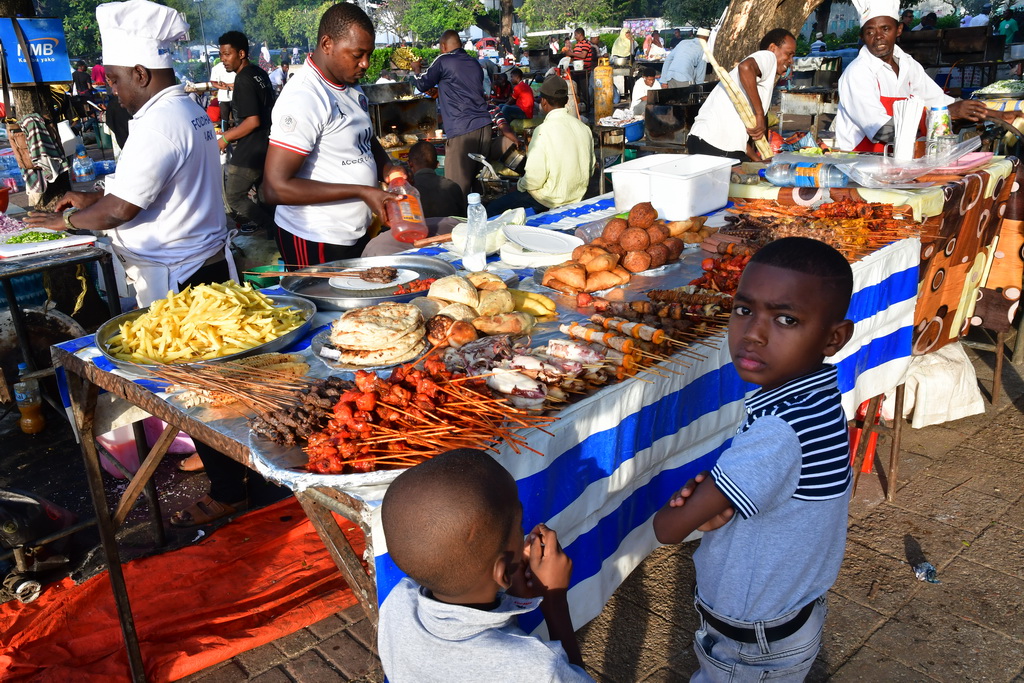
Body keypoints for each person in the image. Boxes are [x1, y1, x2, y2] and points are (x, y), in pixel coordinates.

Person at [24, 0, 260, 527]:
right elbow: (135, 192)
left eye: (114, 80)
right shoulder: (183, 110)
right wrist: (90, 198)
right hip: (202, 266)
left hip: (181, 278)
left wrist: (63, 223)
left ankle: (229, 491)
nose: (111, 90)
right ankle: (225, 460)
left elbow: (122, 209)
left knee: (197, 388)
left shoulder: (158, 122)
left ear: (140, 72)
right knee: (211, 384)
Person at [653, 237, 857, 682]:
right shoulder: (815, 397)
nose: (754, 334)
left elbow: (668, 530)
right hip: (786, 617)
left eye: (786, 319)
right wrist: (720, 496)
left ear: (834, 337)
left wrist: (692, 506)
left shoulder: (779, 432)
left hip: (749, 640)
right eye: (744, 310)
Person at [378, 448, 592, 682]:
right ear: (501, 573)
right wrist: (554, 601)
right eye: (519, 525)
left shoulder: (397, 602)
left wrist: (514, 596)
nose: (522, 531)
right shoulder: (538, 667)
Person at [263, 2, 404, 268]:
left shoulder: (350, 85)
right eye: (358, 54)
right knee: (326, 307)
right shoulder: (304, 97)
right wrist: (363, 191)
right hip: (315, 237)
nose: (366, 63)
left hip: (354, 231)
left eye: (369, 54)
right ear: (327, 43)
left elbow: (364, 137)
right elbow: (275, 188)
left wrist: (387, 168)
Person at [833, 0, 988, 152]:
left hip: (898, 157)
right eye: (870, 32)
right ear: (862, 37)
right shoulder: (858, 72)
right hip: (861, 161)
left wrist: (999, 115)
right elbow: (882, 130)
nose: (878, 36)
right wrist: (943, 115)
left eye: (885, 29)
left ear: (899, 29)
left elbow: (939, 100)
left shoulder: (907, 64)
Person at [486, 76, 594, 215]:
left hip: (549, 199)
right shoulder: (583, 127)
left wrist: (519, 186)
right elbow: (590, 169)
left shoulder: (543, 131)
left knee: (491, 210)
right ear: (566, 101)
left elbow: (534, 179)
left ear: (543, 102)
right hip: (577, 196)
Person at [687, 28, 796, 161]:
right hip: (716, 145)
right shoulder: (768, 56)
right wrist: (759, 114)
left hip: (702, 141)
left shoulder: (754, 82)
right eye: (789, 54)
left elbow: (736, 135)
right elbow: (745, 67)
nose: (791, 61)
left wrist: (758, 161)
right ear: (772, 48)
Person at [411, 30, 494, 194]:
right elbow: (462, 89)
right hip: (484, 128)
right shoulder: (474, 62)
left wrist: (416, 70)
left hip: (462, 130)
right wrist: (440, 91)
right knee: (478, 188)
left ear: (443, 46)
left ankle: (457, 220)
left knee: (456, 190)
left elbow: (422, 84)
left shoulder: (444, 60)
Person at [217, 30, 276, 239]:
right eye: (221, 54)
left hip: (251, 149)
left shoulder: (244, 79)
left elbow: (252, 121)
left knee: (234, 197)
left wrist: (225, 138)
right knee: (263, 194)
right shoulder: (259, 73)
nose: (223, 59)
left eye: (227, 54)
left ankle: (272, 228)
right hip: (268, 145)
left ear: (241, 53)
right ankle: (276, 236)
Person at [568, 27, 597, 113]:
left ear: (580, 34)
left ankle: (587, 108)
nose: (575, 36)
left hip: (584, 70)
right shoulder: (578, 44)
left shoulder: (586, 43)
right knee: (578, 90)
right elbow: (576, 55)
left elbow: (583, 55)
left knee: (584, 90)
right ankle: (580, 107)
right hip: (577, 70)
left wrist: (571, 53)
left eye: (575, 35)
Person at [209, 57, 235, 129]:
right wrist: (225, 87)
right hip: (223, 96)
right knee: (224, 118)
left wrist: (227, 85)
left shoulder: (235, 65)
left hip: (235, 95)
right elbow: (213, 83)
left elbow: (239, 81)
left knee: (236, 117)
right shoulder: (216, 68)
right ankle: (225, 134)